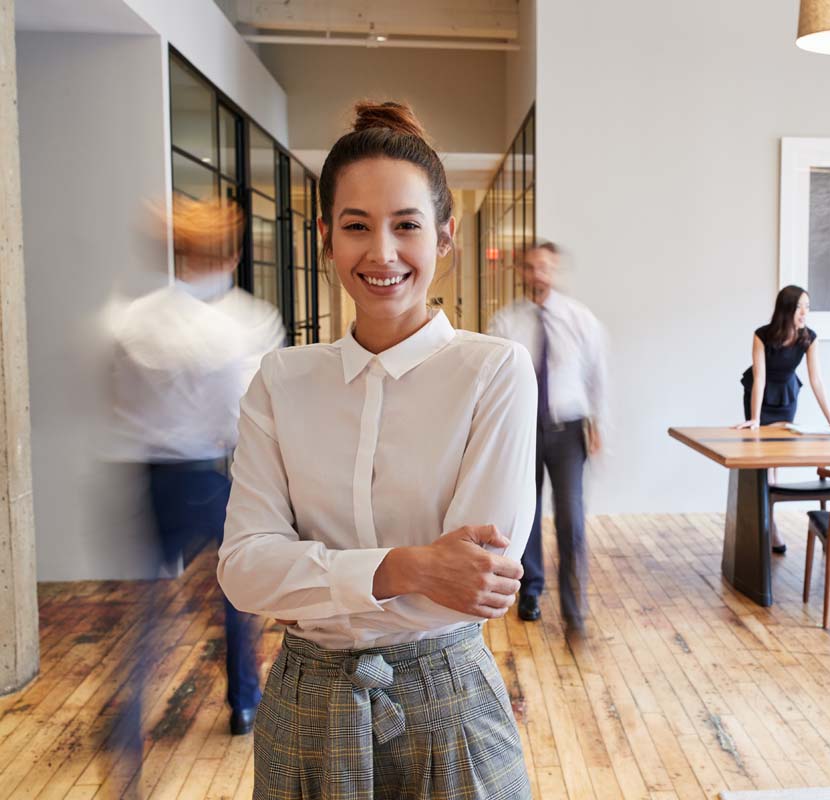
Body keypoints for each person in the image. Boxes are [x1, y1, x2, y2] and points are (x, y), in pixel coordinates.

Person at [218, 102, 535, 799]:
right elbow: (243, 571)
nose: (382, 253)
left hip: (448, 702)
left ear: (445, 236)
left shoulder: (495, 371)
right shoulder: (281, 380)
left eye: (406, 226)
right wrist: (410, 566)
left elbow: (481, 580)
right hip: (304, 707)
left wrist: (313, 579)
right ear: (327, 238)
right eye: (356, 226)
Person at [108, 196, 283, 737]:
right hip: (210, 474)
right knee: (236, 593)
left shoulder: (130, 318)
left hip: (149, 476)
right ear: (231, 256)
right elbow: (245, 415)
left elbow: (116, 399)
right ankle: (245, 703)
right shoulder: (246, 325)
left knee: (147, 609)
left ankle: (130, 713)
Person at [488, 242, 607, 637]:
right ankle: (531, 591)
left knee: (571, 518)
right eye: (531, 267)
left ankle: (575, 608)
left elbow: (596, 375)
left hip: (569, 429)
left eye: (545, 267)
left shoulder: (579, 319)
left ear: (554, 271)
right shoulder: (506, 323)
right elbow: (494, 380)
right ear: (521, 271)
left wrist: (598, 423)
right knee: (527, 513)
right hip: (523, 430)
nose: (538, 274)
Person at [736, 285, 830, 430]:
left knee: (784, 441)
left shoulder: (810, 338)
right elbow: (759, 378)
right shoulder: (761, 335)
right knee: (758, 439)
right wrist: (755, 418)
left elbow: (816, 380)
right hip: (760, 396)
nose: (804, 312)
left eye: (807, 306)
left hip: (786, 394)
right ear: (785, 309)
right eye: (798, 307)